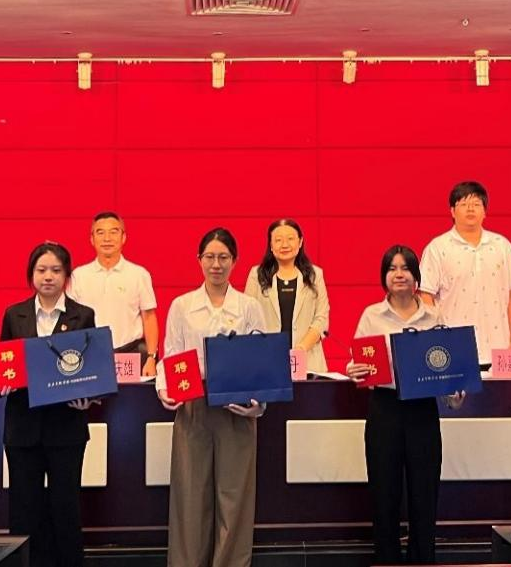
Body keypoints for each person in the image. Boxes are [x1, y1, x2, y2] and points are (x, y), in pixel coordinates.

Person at [348, 245, 465, 565]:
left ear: (416, 276)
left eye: (405, 268)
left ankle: (422, 559)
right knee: (384, 492)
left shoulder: (434, 316)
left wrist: (454, 395)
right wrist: (353, 370)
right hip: (384, 408)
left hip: (422, 410)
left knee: (424, 493)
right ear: (384, 276)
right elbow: (357, 361)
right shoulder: (371, 315)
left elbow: (445, 368)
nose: (399, 274)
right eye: (392, 268)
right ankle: (386, 559)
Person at [156, 227, 267, 567]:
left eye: (223, 257)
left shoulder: (249, 306)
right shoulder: (182, 305)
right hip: (193, 404)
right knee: (191, 494)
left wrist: (257, 404)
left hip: (236, 407)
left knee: (234, 497)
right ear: (199, 260)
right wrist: (164, 389)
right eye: (210, 257)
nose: (216, 264)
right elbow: (171, 354)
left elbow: (260, 360)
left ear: (235, 261)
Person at [0, 242, 97, 567]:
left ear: (66, 275)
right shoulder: (14, 314)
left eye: (55, 270)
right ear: (31, 274)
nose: (48, 276)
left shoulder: (83, 315)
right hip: (23, 427)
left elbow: (92, 370)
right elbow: (5, 364)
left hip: (66, 426)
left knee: (65, 505)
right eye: (41, 270)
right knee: (24, 506)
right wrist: (1, 383)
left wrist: (88, 398)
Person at [419, 180, 511, 363]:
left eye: (476, 204)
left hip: (499, 350)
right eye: (463, 204)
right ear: (452, 211)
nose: (470, 209)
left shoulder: (502, 246)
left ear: (485, 211)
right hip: (453, 350)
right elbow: (426, 297)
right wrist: (435, 342)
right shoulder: (437, 248)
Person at [67, 211, 160, 377]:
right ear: (92, 239)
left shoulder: (139, 274)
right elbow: (71, 321)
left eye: (113, 232)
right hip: (91, 356)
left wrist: (151, 358)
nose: (107, 238)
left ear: (123, 237)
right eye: (100, 233)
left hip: (131, 354)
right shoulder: (78, 276)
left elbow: (149, 318)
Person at [244, 217, 330, 373]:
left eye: (290, 239)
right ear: (271, 245)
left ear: (300, 242)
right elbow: (248, 318)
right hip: (267, 361)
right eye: (278, 240)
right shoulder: (257, 275)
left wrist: (301, 349)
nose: (285, 245)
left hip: (308, 361)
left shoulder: (315, 275)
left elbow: (321, 318)